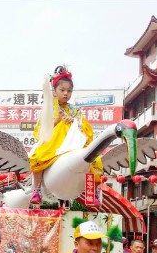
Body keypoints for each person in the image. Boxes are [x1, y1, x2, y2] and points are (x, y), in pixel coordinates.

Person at [29, 65, 102, 205]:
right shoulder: (49, 108)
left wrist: (73, 121)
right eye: (62, 90)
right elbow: (40, 130)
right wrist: (57, 121)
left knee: (94, 158)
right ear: (54, 91)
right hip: (54, 141)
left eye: (69, 91)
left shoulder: (75, 110)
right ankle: (36, 190)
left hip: (74, 142)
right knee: (37, 155)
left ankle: (93, 192)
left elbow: (86, 129)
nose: (65, 93)